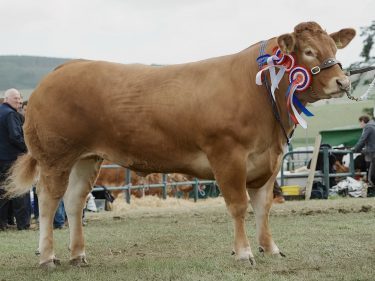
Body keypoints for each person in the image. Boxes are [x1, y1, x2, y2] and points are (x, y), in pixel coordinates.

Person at [0, 88, 30, 230]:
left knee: (3, 191)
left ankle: (3, 223)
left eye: (19, 98)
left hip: (2, 158)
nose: (18, 101)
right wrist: (28, 149)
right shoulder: (11, 114)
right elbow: (15, 136)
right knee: (19, 191)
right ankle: (23, 224)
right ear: (6, 99)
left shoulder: (1, 111)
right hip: (12, 158)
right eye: (15, 98)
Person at [352, 115, 375, 189]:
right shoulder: (373, 126)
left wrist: (355, 149)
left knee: (371, 175)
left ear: (362, 121)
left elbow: (362, 140)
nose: (360, 125)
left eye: (360, 123)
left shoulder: (368, 127)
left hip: (372, 153)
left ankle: (372, 190)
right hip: (372, 152)